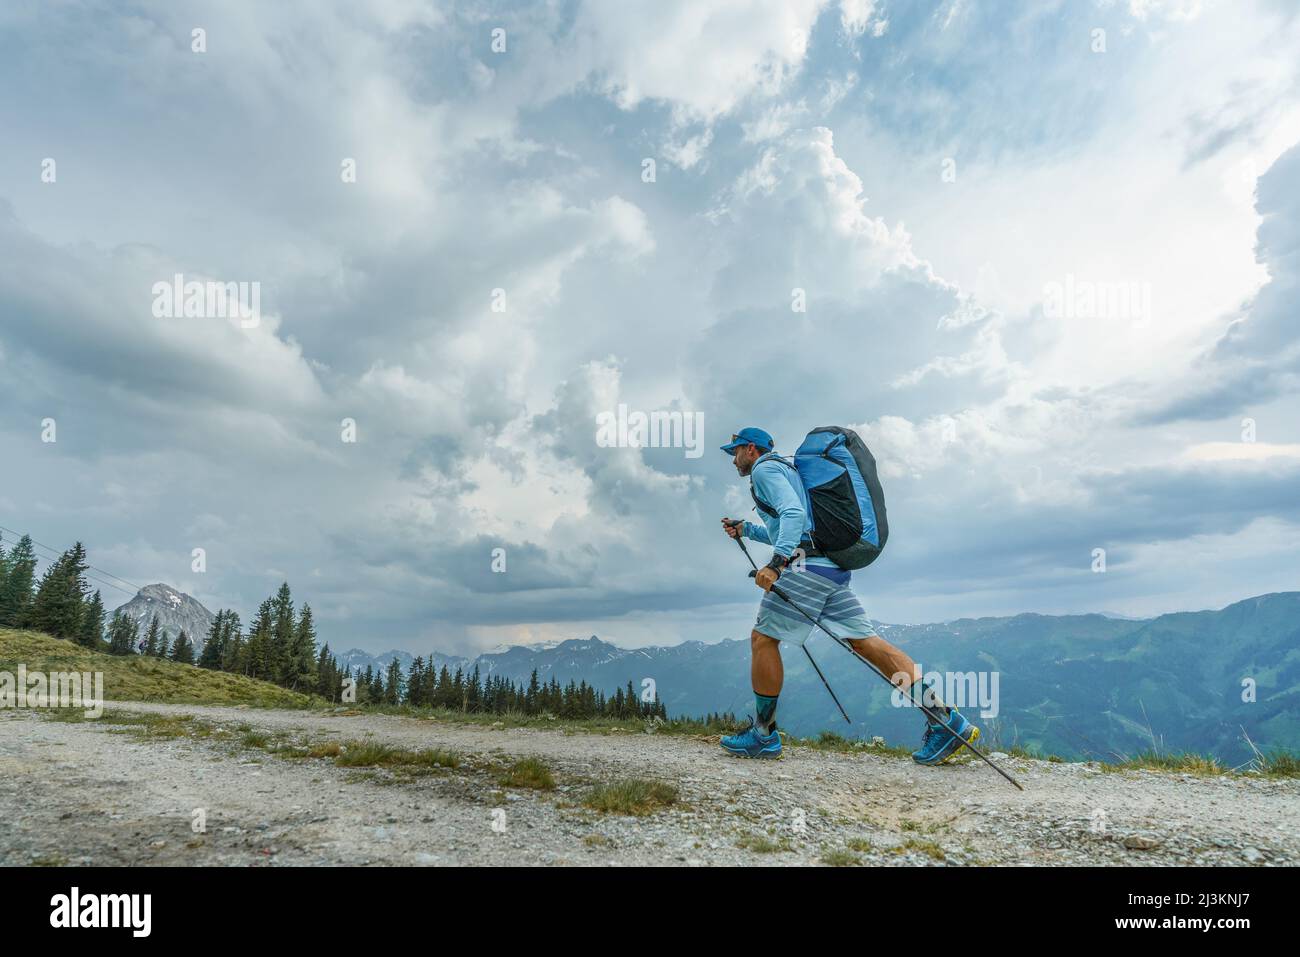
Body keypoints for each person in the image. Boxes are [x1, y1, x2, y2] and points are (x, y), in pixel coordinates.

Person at [717, 427, 979, 763]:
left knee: (762, 639)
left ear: (750, 449)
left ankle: (763, 735)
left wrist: (777, 564)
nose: (733, 459)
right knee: (866, 642)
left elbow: (794, 517)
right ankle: (945, 720)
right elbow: (794, 526)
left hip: (806, 568)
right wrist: (747, 529)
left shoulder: (765, 470)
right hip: (832, 568)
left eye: (735, 451)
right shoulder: (787, 471)